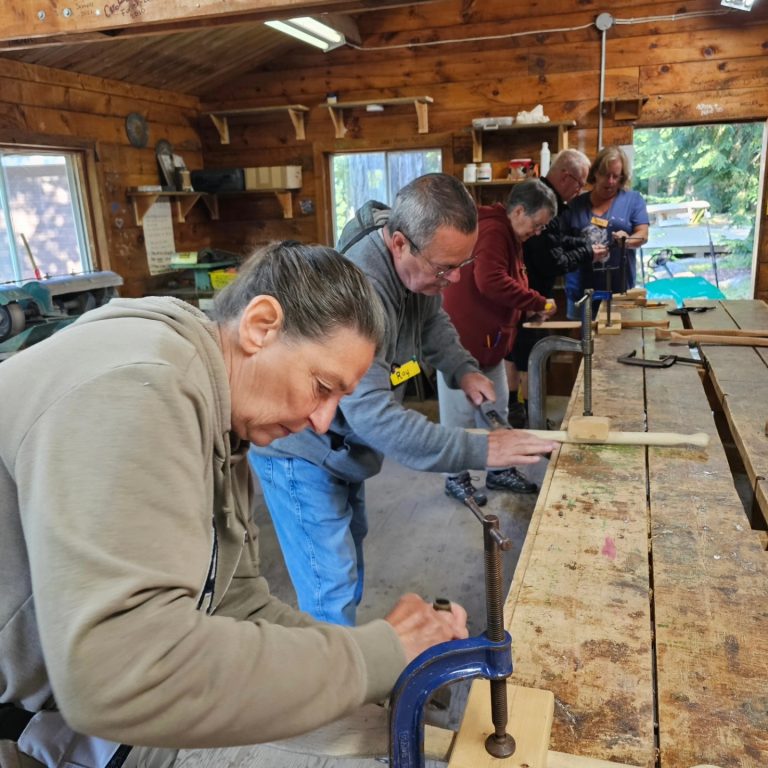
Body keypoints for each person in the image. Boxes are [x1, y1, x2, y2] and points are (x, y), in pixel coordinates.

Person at [0, 242, 471, 768]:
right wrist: (379, 656)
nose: (323, 422)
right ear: (261, 325)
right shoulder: (140, 385)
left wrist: (384, 665)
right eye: (321, 387)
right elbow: (119, 673)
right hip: (35, 710)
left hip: (64, 704)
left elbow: (235, 604)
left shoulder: (221, 422)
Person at [249, 174, 559, 627]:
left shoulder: (417, 271)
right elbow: (377, 418)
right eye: (443, 269)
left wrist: (463, 368)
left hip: (342, 447)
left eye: (462, 265)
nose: (454, 279)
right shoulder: (358, 298)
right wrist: (483, 449)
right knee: (328, 582)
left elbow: (433, 322)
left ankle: (346, 659)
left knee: (348, 556)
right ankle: (333, 684)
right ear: (399, 243)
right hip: (301, 450)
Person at [439, 179, 558, 504]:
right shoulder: (494, 230)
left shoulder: (509, 234)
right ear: (518, 210)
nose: (537, 232)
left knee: (496, 409)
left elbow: (507, 281)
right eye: (536, 224)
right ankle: (455, 477)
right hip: (462, 342)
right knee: (460, 417)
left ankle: (498, 470)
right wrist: (536, 301)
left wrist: (524, 312)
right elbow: (490, 281)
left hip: (490, 343)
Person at [507, 149, 608, 420]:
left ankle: (522, 413)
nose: (580, 190)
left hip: (530, 292)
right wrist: (588, 253)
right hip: (529, 294)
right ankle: (527, 417)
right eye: (580, 183)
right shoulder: (542, 201)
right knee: (527, 359)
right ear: (566, 177)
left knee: (518, 356)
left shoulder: (551, 202)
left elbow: (558, 242)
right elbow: (554, 261)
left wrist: (586, 246)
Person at [564, 145, 650, 318]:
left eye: (615, 177)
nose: (610, 181)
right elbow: (562, 242)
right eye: (605, 174)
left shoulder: (633, 200)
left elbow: (643, 235)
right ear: (595, 173)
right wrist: (584, 252)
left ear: (622, 178)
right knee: (581, 342)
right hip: (581, 293)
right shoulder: (576, 205)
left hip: (620, 292)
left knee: (620, 341)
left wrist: (627, 241)